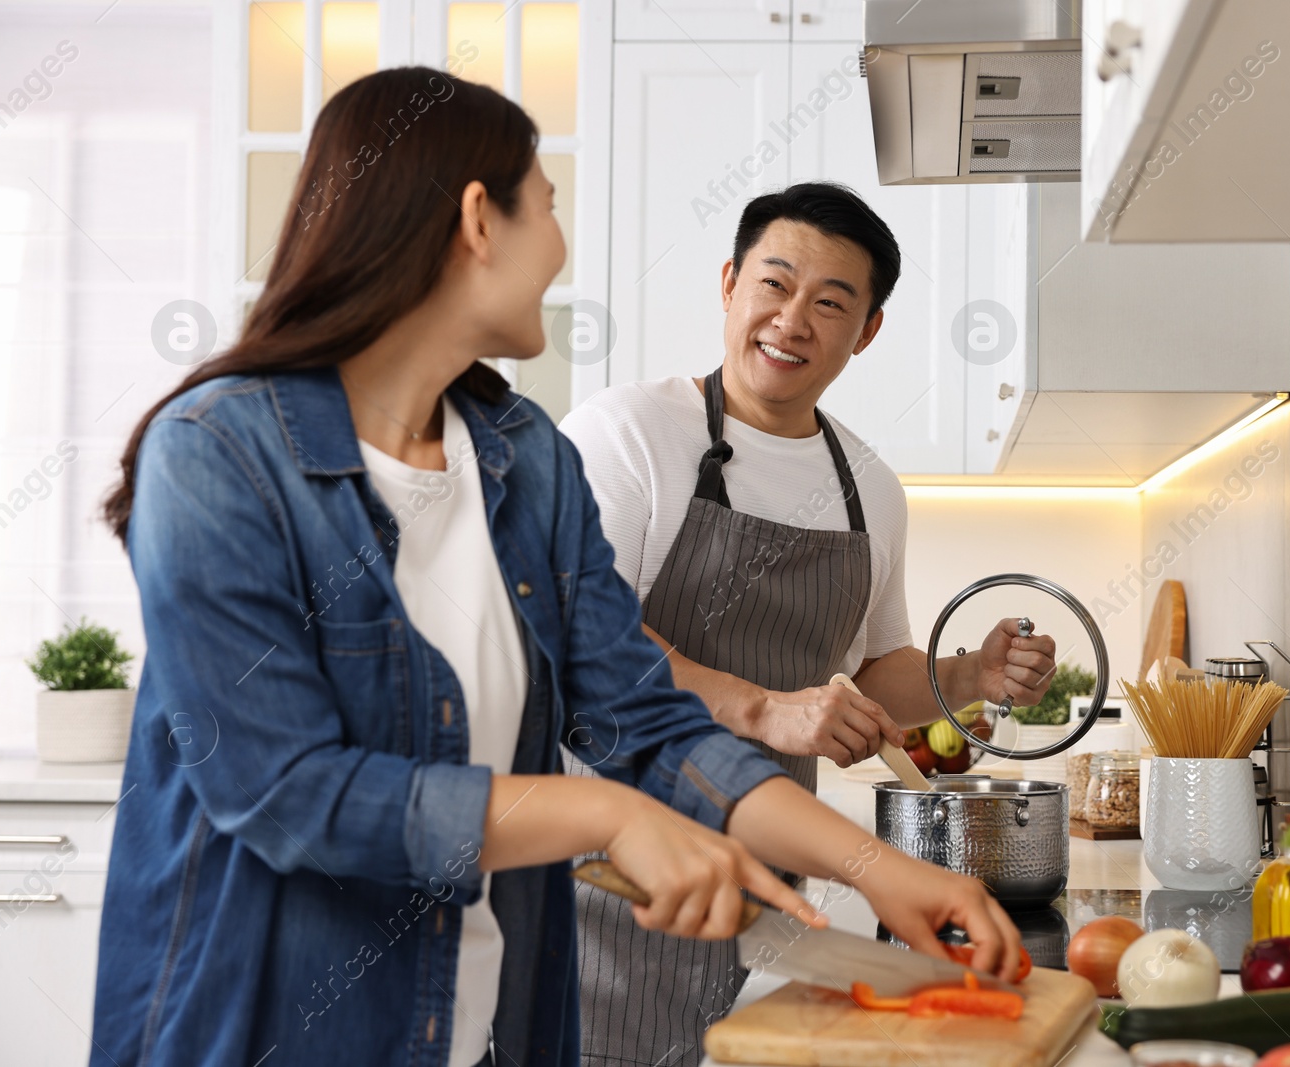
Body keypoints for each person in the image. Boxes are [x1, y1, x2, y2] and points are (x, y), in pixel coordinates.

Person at [88, 69, 1023, 1067]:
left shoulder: (521, 455)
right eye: (546, 206)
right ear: (476, 221)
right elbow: (284, 789)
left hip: (490, 1031)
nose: (561, 246)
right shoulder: (219, 454)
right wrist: (610, 814)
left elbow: (642, 714)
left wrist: (876, 868)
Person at [557, 182, 1059, 1067]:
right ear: (729, 284)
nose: (792, 320)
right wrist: (760, 709)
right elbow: (586, 641)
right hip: (603, 879)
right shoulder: (628, 433)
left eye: (831, 303)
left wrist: (969, 675)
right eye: (775, 285)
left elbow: (867, 669)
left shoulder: (870, 486)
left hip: (771, 886)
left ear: (864, 331)